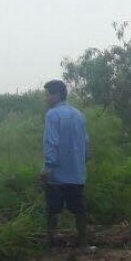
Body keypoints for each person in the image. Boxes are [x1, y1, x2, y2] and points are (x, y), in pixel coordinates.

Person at [40, 79, 90, 250]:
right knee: (79, 209)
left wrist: (47, 167)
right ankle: (83, 244)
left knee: (53, 209)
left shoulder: (52, 115)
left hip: (57, 174)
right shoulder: (79, 115)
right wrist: (82, 163)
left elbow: (51, 142)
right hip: (77, 173)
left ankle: (51, 244)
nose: (45, 98)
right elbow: (86, 143)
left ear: (57, 95)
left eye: (47, 95)